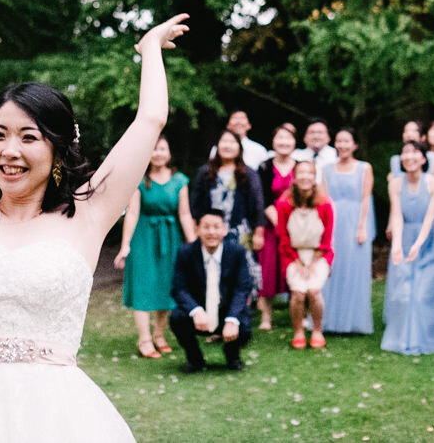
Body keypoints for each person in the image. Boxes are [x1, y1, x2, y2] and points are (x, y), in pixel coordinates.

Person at [0, 0, 188, 442]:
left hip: (59, 419)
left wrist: (150, 50)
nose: (10, 151)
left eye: (28, 137)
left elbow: (150, 118)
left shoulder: (88, 214)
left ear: (56, 149)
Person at [114, 134, 196, 358]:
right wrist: (125, 245)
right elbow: (132, 213)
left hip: (170, 239)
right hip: (143, 239)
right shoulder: (139, 179)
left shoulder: (180, 180)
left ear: (168, 152)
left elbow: (185, 213)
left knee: (167, 286)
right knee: (143, 286)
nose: (158, 153)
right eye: (153, 149)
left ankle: (160, 334)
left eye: (162, 148)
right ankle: (145, 339)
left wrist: (193, 244)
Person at [382, 140, 434, 355]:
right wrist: (397, 245)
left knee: (425, 292)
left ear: (423, 159)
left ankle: (429, 338)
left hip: (430, 240)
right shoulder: (395, 183)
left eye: (414, 153)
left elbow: (431, 218)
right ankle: (404, 338)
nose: (409, 157)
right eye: (405, 153)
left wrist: (418, 244)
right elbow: (397, 215)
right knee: (403, 292)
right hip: (404, 237)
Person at [170, 209, 255, 372]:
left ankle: (232, 355)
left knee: (243, 323)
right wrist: (195, 310)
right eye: (206, 227)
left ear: (224, 230)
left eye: (216, 227)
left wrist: (232, 319)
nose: (211, 232)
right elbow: (179, 288)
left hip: (225, 310)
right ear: (197, 229)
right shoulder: (186, 252)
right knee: (177, 318)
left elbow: (242, 287)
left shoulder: (236, 252)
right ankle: (195, 359)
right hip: (199, 313)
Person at [320, 127, 375, 334]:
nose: (342, 145)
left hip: (355, 222)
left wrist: (362, 226)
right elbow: (324, 200)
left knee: (354, 269)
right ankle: (329, 320)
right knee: (332, 269)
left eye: (347, 141)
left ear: (355, 145)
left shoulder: (364, 168)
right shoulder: (326, 169)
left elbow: (365, 198)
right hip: (333, 222)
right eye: (339, 141)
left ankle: (354, 321)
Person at [276, 158, 335, 348]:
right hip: (292, 254)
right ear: (294, 177)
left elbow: (326, 240)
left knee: (314, 291)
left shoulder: (325, 204)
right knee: (298, 294)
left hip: (319, 254)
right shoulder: (284, 203)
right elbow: (283, 237)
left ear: (315, 176)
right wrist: (298, 263)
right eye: (301, 172)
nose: (305, 177)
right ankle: (298, 331)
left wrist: (312, 263)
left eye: (309, 173)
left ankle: (317, 330)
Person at [190, 130, 266, 258]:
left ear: (239, 148)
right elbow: (194, 204)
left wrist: (258, 234)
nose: (227, 146)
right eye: (224, 141)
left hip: (240, 232)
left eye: (232, 142)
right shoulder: (205, 172)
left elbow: (257, 205)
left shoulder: (249, 174)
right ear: (217, 146)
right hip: (210, 231)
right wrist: (194, 230)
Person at [257, 123, 300, 330]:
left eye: (288, 138)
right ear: (273, 142)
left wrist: (293, 223)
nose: (284, 142)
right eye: (280, 138)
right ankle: (266, 317)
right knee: (269, 270)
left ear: (294, 142)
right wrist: (279, 223)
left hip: (298, 224)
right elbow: (262, 198)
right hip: (271, 223)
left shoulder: (301, 166)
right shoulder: (265, 167)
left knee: (296, 267)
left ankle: (300, 315)